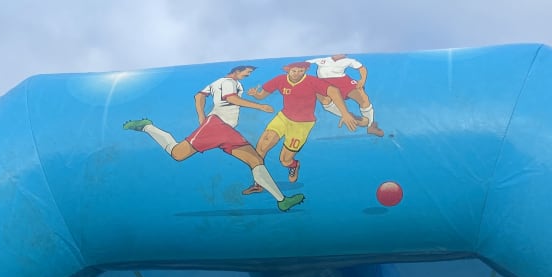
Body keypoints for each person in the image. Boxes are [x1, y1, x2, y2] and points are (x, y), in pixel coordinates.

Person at [123, 65, 305, 212]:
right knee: (177, 154)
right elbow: (231, 99)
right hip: (217, 126)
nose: (247, 76)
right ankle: (147, 126)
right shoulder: (229, 82)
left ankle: (282, 201)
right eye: (247, 73)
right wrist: (260, 107)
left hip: (225, 129)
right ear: (237, 71)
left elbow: (199, 96)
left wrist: (201, 116)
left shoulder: (218, 82)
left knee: (255, 159)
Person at [241, 62, 359, 192]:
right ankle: (258, 183)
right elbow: (261, 95)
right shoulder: (280, 80)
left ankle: (294, 165)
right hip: (283, 118)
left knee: (284, 160)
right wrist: (255, 94)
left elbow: (334, 91)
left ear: (305, 70)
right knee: (261, 148)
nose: (297, 74)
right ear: (288, 70)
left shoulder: (311, 81)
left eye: (301, 71)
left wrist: (345, 114)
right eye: (294, 71)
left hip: (302, 124)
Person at [307, 55, 384, 137]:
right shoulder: (321, 58)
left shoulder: (349, 60)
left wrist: (362, 80)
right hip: (323, 81)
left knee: (362, 96)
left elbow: (362, 68)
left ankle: (371, 126)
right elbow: (303, 64)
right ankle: (349, 116)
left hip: (342, 81)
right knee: (324, 99)